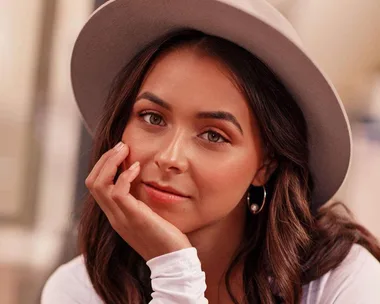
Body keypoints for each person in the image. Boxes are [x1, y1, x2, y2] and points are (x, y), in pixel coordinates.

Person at [41, 0, 380, 303]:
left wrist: (174, 272)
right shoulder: (79, 290)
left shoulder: (341, 282)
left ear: (266, 164)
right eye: (152, 117)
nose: (170, 158)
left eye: (214, 136)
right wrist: (173, 270)